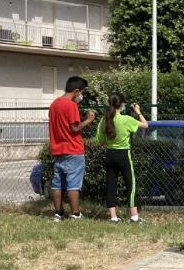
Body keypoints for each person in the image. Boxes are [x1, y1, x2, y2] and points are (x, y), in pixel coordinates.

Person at [94, 93, 148, 223]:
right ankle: (134, 217)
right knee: (131, 184)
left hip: (110, 154)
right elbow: (145, 125)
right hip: (123, 154)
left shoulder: (104, 120)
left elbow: (100, 140)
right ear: (122, 104)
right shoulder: (126, 119)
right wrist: (138, 112)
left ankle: (113, 217)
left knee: (111, 186)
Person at [49, 76, 95, 222]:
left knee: (57, 184)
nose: (81, 95)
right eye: (81, 92)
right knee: (73, 185)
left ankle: (58, 213)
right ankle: (75, 214)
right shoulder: (71, 106)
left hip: (58, 149)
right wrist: (89, 120)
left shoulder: (54, 104)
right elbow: (74, 128)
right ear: (76, 91)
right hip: (73, 150)